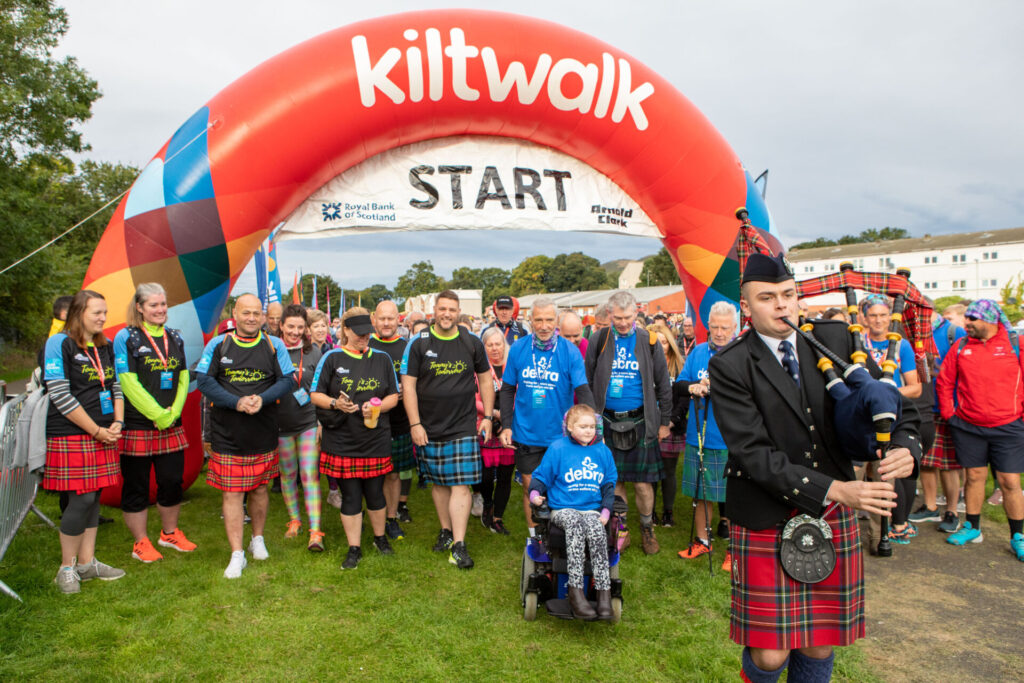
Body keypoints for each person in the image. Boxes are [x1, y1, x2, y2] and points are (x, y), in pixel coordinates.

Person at [710, 252, 919, 682]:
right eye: (767, 298)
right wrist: (837, 490)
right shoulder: (730, 364)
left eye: (788, 295)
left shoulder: (835, 340)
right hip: (766, 512)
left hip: (831, 516)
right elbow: (753, 453)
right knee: (770, 655)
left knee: (820, 639)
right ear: (746, 308)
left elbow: (890, 401)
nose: (782, 305)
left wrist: (905, 445)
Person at [196, 293, 294, 579]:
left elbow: (287, 380)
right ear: (234, 314)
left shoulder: (274, 345)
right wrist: (235, 402)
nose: (251, 318)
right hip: (227, 432)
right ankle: (237, 553)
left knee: (261, 488)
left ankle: (258, 538)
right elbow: (204, 380)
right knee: (232, 492)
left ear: (263, 317)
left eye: (256, 313)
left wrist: (261, 400)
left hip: (263, 429)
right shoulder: (218, 343)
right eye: (246, 313)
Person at [402, 290, 494, 570]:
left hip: (463, 424)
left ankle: (459, 544)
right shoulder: (418, 343)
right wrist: (415, 424)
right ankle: (445, 530)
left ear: (458, 312)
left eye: (452, 310)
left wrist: (488, 417)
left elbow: (486, 380)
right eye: (442, 309)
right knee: (439, 482)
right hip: (428, 426)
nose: (447, 314)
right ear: (434, 310)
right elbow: (408, 386)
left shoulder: (471, 341)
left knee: (461, 484)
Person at [43, 290, 126, 593]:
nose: (103, 318)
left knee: (94, 499)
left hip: (103, 431)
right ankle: (66, 568)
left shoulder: (102, 346)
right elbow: (60, 395)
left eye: (105, 312)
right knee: (80, 499)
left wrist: (117, 422)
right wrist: (96, 430)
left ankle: (87, 563)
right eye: (97, 313)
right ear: (79, 313)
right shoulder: (59, 343)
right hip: (72, 434)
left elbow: (115, 386)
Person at [311, 308, 401, 570]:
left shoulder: (382, 359)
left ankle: (380, 538)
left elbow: (393, 396)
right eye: (360, 334)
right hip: (341, 439)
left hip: (375, 437)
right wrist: (335, 403)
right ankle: (354, 548)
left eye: (367, 334)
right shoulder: (331, 357)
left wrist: (376, 408)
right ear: (346, 331)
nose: (365, 339)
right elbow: (314, 394)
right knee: (350, 495)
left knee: (375, 492)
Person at [498, 297, 594, 541]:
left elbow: (582, 390)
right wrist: (506, 425)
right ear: (530, 320)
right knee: (532, 486)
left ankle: (559, 533)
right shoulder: (519, 348)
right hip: (526, 432)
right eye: (538, 320)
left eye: (549, 320)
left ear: (556, 322)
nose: (543, 325)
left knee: (561, 487)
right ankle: (535, 536)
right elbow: (508, 388)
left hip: (560, 435)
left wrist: (593, 427)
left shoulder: (570, 351)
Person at [585, 291, 672, 555]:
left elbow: (663, 384)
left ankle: (647, 528)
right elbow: (588, 380)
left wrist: (664, 421)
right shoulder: (599, 338)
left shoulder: (650, 341)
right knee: (616, 480)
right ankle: (620, 528)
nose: (623, 322)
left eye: (628, 317)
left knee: (643, 483)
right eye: (618, 317)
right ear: (610, 314)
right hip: (608, 419)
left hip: (641, 420)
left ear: (637, 313)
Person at [936, 299, 1024, 560]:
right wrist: (949, 413)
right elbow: (944, 380)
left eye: (973, 319)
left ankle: (1017, 535)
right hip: (968, 426)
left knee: (1009, 481)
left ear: (990, 320)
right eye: (968, 318)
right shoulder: (962, 346)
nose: (967, 323)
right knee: (973, 477)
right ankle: (972, 527)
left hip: (1008, 425)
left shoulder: (1015, 344)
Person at [113, 283, 195, 564]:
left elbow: (183, 376)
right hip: (138, 425)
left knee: (172, 481)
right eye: (154, 305)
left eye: (163, 305)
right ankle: (140, 542)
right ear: (139, 307)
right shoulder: (126, 337)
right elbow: (127, 382)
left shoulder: (175, 337)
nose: (161, 310)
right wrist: (158, 414)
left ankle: (169, 534)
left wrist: (173, 412)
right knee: (136, 485)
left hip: (171, 422)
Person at [528, 404, 617, 620]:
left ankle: (604, 595)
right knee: (575, 525)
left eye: (592, 427)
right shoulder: (558, 449)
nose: (589, 431)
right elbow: (540, 478)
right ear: (569, 427)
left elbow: (608, 485)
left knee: (596, 530)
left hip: (592, 510)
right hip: (563, 509)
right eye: (583, 426)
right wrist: (534, 495)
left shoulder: (603, 452)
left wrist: (605, 512)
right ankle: (575, 594)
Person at [675, 303, 736, 569]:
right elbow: (679, 385)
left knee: (735, 496)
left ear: (734, 328)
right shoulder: (698, 352)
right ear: (708, 326)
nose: (720, 332)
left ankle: (736, 548)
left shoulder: (742, 353)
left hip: (731, 438)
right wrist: (694, 387)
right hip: (699, 434)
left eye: (725, 327)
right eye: (715, 327)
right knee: (701, 493)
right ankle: (703, 540)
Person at [862, 294, 922, 545]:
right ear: (864, 318)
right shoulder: (857, 342)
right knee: (853, 476)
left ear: (890, 317)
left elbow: (915, 387)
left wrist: (882, 395)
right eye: (873, 315)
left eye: (883, 315)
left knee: (883, 476)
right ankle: (844, 536)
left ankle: (881, 535)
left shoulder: (901, 345)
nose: (878, 320)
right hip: (860, 419)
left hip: (888, 420)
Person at [908, 307, 967, 533]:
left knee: (949, 465)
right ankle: (931, 506)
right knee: (927, 462)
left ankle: (951, 510)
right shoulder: (913, 334)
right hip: (923, 407)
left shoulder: (953, 332)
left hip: (947, 406)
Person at [275, 304, 324, 551]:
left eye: (300, 327)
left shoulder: (314, 353)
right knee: (288, 475)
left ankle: (316, 531)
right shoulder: (271, 350)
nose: (295, 332)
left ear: (306, 329)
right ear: (281, 326)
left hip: (307, 421)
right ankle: (294, 520)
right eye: (290, 326)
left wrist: (320, 422)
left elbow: (320, 390)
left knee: (309, 475)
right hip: (279, 425)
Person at [368, 299, 416, 534]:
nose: (386, 323)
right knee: (371, 474)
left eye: (391, 318)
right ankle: (373, 516)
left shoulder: (407, 347)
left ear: (398, 319)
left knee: (394, 474)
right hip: (368, 422)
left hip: (399, 421)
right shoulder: (364, 344)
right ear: (373, 319)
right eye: (382, 318)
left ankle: (391, 517)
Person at [477, 326, 515, 534]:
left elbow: (520, 393)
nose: (494, 349)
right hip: (486, 423)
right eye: (489, 345)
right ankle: (487, 503)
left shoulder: (513, 365)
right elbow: (474, 397)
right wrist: (493, 413)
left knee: (505, 475)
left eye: (498, 344)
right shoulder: (480, 368)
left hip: (509, 426)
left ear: (504, 344)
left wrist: (506, 416)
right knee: (484, 475)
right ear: (484, 347)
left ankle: (498, 516)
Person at [648, 321, 685, 528]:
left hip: (672, 426)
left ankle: (668, 512)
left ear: (670, 343)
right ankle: (650, 510)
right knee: (651, 472)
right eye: (657, 342)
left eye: (664, 342)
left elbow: (683, 399)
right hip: (650, 425)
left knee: (668, 472)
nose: (661, 346)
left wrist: (669, 422)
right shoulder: (645, 362)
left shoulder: (678, 365)